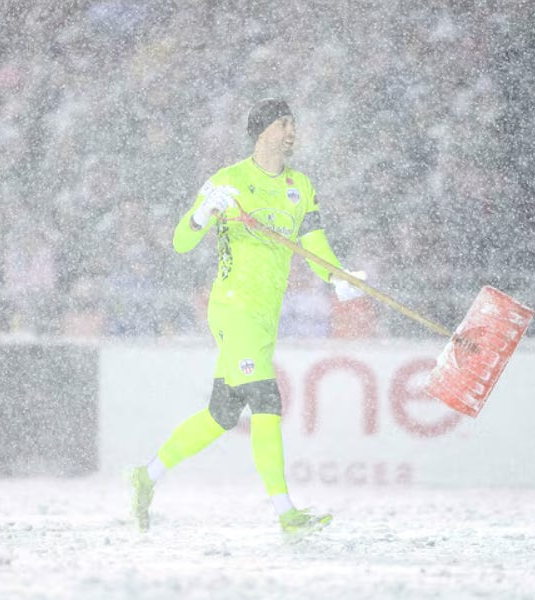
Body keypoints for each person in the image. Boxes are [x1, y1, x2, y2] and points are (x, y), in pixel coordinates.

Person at [128, 99, 365, 536]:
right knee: (266, 400)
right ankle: (286, 513)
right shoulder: (228, 180)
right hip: (233, 307)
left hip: (265, 315)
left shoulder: (300, 186)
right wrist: (202, 214)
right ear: (261, 131)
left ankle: (147, 476)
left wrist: (338, 278)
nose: (291, 131)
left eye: (293, 123)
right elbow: (180, 241)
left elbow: (314, 246)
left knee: (221, 414)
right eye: (283, 123)